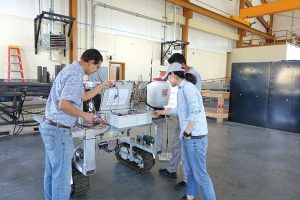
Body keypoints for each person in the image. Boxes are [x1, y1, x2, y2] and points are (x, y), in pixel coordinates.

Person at [39, 49, 113, 200]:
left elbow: (84, 96)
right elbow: (64, 104)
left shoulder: (72, 70)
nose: (96, 70)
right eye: (97, 67)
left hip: (50, 127)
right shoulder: (75, 74)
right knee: (62, 178)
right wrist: (86, 115)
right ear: (91, 62)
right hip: (58, 131)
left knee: (53, 172)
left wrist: (102, 86)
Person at [153, 62, 215, 200]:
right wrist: (161, 112)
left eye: (168, 78)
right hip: (188, 136)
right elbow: (178, 110)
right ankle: (190, 196)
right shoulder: (182, 88)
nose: (168, 82)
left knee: (200, 173)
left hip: (195, 137)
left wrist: (187, 132)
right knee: (189, 170)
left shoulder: (188, 88)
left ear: (173, 74)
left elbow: (195, 111)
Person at [159, 53, 202, 191]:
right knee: (177, 144)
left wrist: (188, 129)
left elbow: (194, 105)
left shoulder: (193, 76)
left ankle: (187, 180)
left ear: (180, 65)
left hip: (189, 121)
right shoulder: (181, 79)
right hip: (182, 117)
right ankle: (172, 170)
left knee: (187, 152)